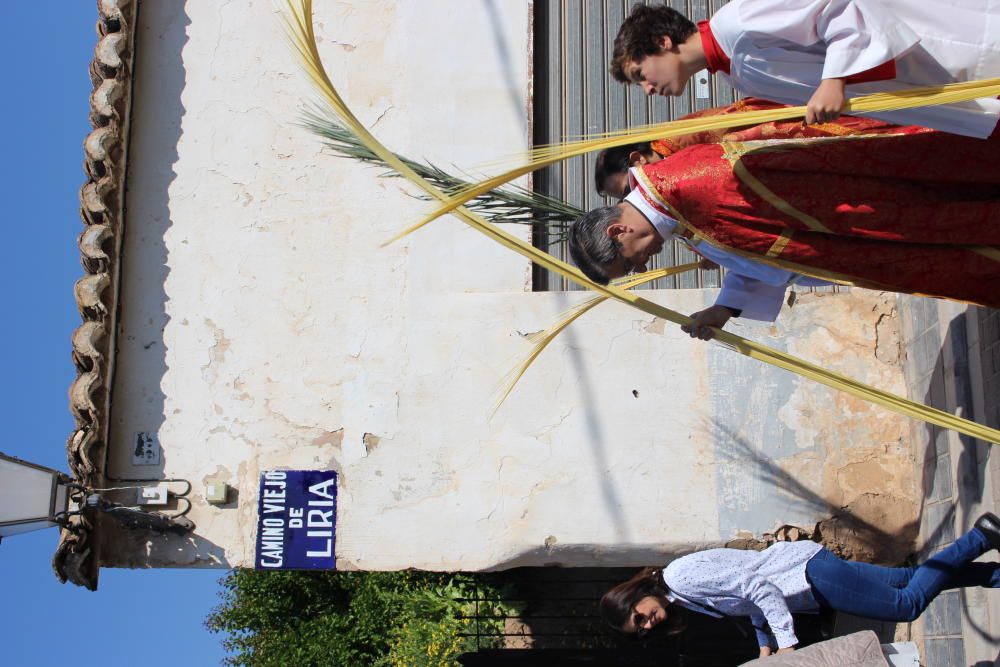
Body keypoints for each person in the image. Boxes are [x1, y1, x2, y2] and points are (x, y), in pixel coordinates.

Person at [569, 123, 1000, 340]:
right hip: (855, 245)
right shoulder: (677, 215)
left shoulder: (694, 183)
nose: (643, 263)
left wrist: (873, 228)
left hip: (871, 215)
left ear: (617, 232)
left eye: (630, 260)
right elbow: (759, 253)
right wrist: (726, 309)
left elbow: (807, 192)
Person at [601, 513, 1000, 658]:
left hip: (807, 576)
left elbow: (755, 586)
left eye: (639, 617)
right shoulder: (681, 596)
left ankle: (979, 537)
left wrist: (788, 641)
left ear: (636, 596)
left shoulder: (679, 578)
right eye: (642, 630)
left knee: (906, 605)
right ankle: (994, 574)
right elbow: (750, 601)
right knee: (909, 580)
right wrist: (764, 645)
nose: (648, 623)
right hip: (806, 573)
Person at [610, 2, 1000, 138]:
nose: (647, 89)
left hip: (938, 46)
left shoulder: (739, 22)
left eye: (639, 74)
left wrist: (834, 79)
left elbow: (835, 6)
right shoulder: (733, 71)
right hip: (925, 82)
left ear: (663, 42)